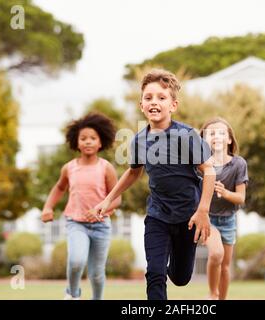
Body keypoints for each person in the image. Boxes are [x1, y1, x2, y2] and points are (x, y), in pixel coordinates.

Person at [92, 69, 215, 300]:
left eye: (161, 97)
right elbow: (133, 172)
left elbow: (209, 171)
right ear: (141, 105)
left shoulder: (187, 135)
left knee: (180, 277)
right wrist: (107, 199)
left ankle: (174, 266)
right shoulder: (139, 140)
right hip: (157, 216)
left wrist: (203, 211)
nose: (154, 102)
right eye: (148, 98)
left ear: (173, 105)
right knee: (155, 273)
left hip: (188, 216)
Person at [41, 113, 120, 300]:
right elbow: (59, 188)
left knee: (97, 273)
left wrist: (102, 210)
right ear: (76, 143)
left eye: (93, 138)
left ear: (101, 142)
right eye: (83, 138)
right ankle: (73, 293)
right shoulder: (69, 168)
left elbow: (117, 199)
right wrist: (48, 207)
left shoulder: (106, 167)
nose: (88, 142)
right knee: (76, 261)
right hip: (76, 222)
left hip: (101, 226)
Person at [199, 117, 248, 300]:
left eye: (221, 133)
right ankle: (213, 294)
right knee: (216, 254)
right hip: (207, 218)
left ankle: (222, 299)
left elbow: (241, 198)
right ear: (203, 139)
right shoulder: (200, 165)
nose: (216, 136)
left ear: (229, 139)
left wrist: (225, 193)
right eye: (211, 133)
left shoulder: (238, 164)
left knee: (226, 266)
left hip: (228, 219)